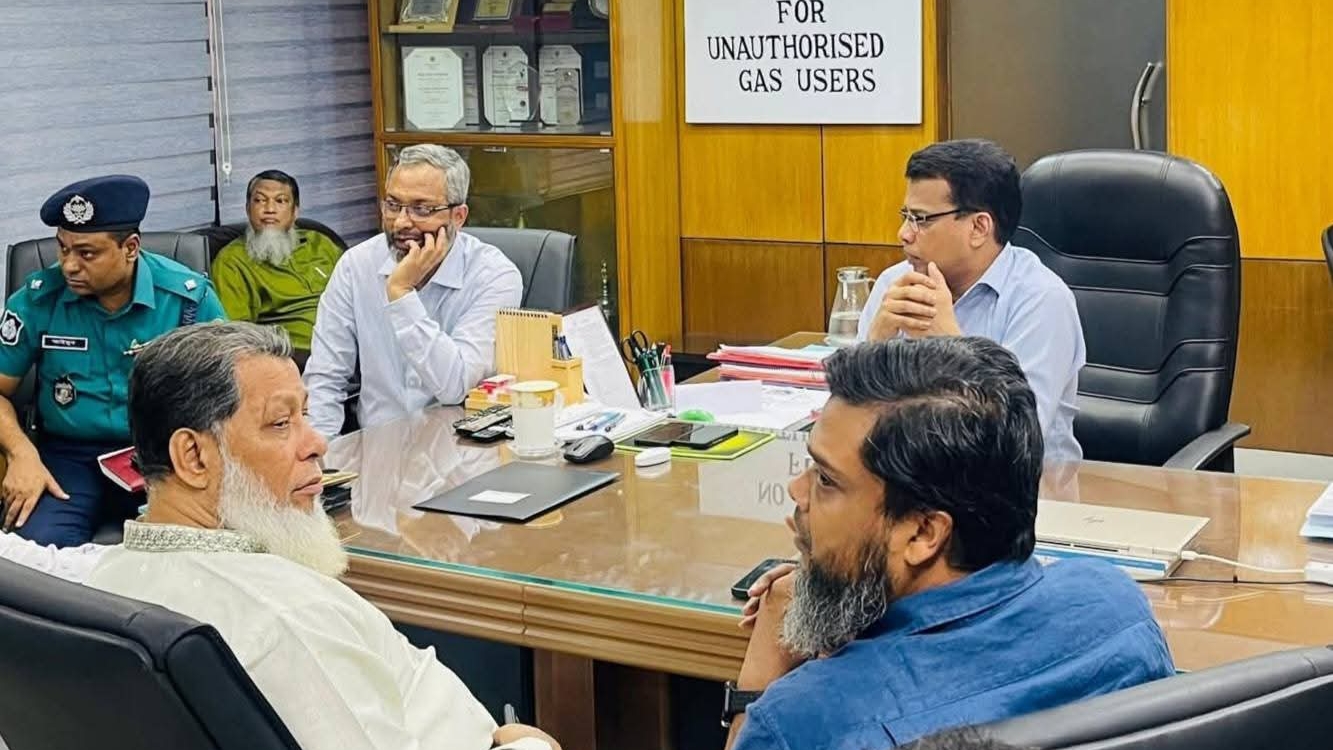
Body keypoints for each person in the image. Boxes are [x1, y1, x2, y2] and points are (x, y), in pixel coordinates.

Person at [80, 321, 558, 750]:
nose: (316, 443)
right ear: (194, 457)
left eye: (305, 416)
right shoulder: (286, 618)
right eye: (280, 423)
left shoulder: (105, 582)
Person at [724, 337, 1173, 750]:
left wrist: (762, 671)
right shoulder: (1117, 608)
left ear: (923, 534)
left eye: (826, 479)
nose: (797, 490)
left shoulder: (802, 722)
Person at [0, 175, 226, 547]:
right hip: (67, 457)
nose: (69, 265)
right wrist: (21, 454)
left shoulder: (187, 300)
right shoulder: (39, 299)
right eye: (62, 248)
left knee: (189, 548)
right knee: (34, 552)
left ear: (130, 247)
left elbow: (228, 393)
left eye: (86, 253)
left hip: (161, 455)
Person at [856, 139, 1085, 463]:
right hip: (910, 479)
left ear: (979, 227)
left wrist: (951, 346)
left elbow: (1016, 441)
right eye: (905, 215)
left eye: (922, 219)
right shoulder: (895, 283)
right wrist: (874, 344)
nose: (903, 233)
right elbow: (849, 418)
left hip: (1025, 490)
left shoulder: (1042, 301)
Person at [303, 144, 523, 436]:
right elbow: (324, 379)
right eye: (393, 205)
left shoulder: (494, 275)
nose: (402, 222)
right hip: (379, 446)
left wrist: (402, 293)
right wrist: (319, 454)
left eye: (422, 209)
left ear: (458, 216)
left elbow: (455, 385)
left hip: (461, 448)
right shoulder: (356, 266)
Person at [209, 170, 343, 364]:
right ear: (248, 209)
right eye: (260, 200)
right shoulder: (232, 262)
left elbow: (357, 290)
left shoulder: (320, 243)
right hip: (294, 357)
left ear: (295, 211)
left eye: (280, 201)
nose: (269, 209)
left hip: (348, 339)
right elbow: (236, 336)